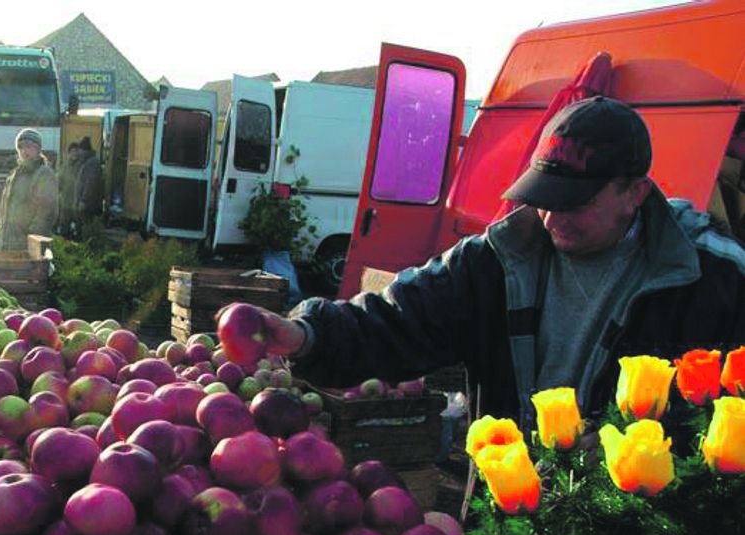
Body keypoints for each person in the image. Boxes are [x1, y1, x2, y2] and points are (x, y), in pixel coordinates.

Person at [243, 97, 745, 427]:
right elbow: (401, 318)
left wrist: (642, 445)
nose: (552, 217)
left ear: (634, 193)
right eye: (545, 196)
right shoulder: (499, 258)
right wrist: (308, 335)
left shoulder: (713, 277)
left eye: (576, 201)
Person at [0, 127, 58, 251]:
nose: (24, 151)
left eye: (29, 146)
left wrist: (32, 240)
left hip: (25, 247)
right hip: (6, 246)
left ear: (38, 149)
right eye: (20, 147)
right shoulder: (14, 175)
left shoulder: (43, 174)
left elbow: (47, 211)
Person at [73, 136, 104, 228]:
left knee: (86, 227)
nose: (78, 152)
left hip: (89, 206)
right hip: (88, 204)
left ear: (84, 150)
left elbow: (90, 184)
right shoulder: (88, 162)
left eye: (80, 150)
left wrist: (83, 201)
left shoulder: (91, 163)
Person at [57, 140, 81, 233]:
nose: (75, 154)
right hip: (66, 202)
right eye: (73, 151)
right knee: (64, 227)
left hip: (77, 204)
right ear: (69, 153)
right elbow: (59, 181)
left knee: (78, 229)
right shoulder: (65, 166)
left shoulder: (81, 166)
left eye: (76, 151)